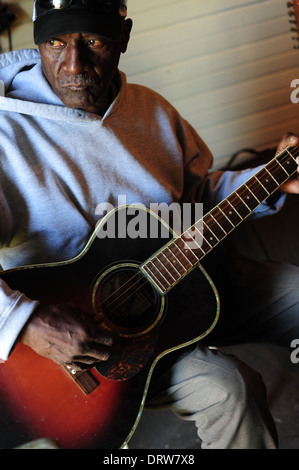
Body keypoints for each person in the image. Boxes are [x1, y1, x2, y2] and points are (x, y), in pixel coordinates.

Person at [0, 0, 298, 449]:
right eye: (55, 43)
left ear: (123, 36)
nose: (73, 65)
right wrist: (23, 320)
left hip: (190, 277)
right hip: (94, 347)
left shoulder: (152, 110)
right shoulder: (6, 135)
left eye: (94, 42)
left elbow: (199, 195)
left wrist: (273, 178)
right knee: (229, 388)